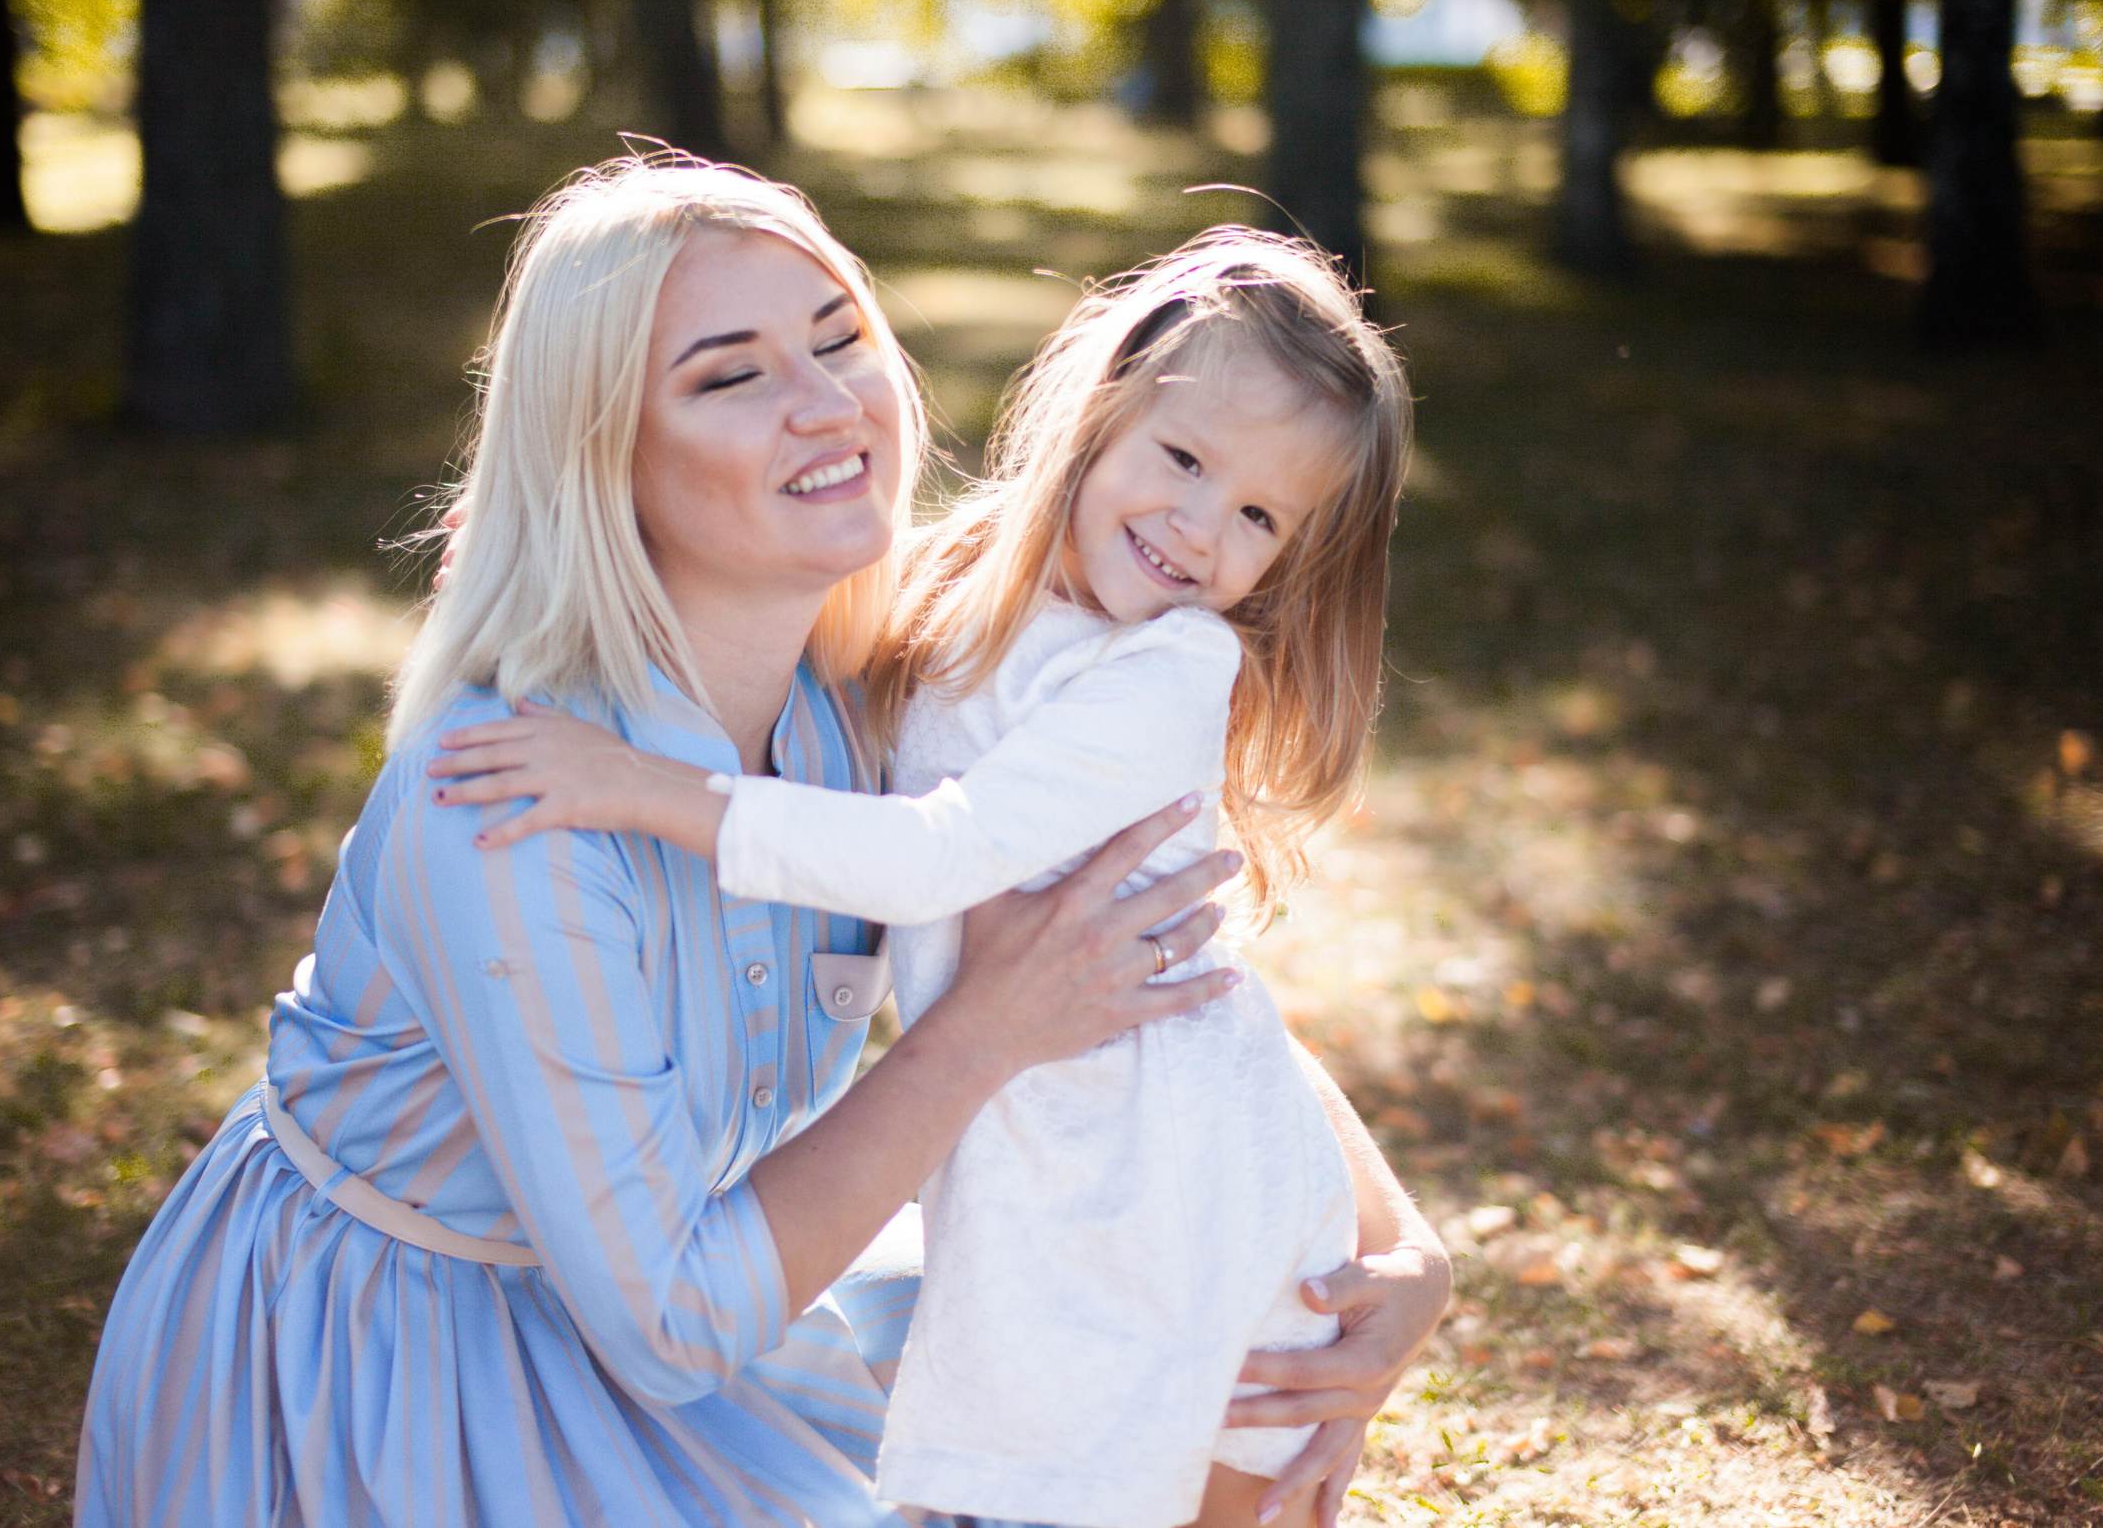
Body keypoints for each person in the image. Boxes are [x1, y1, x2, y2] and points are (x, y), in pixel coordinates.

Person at [75, 155, 1446, 1528]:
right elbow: (669, 1321)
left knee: (1168, 1351)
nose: (826, 403)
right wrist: (981, 1035)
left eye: (840, 339)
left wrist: (1404, 1259)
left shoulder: (873, 685)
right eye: (730, 376)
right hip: (408, 1352)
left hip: (707, 1294)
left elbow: (1127, 961)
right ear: (599, 447)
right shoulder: (512, 796)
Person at [426, 227, 1436, 1528]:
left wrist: (644, 793)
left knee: (1226, 1489)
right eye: (1184, 460)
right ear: (1098, 417)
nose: (1200, 529)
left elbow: (941, 856)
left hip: (1178, 1165)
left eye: (1258, 519)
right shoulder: (969, 582)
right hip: (1044, 1152)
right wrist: (558, 547)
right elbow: (754, 595)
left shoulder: (1170, 669)